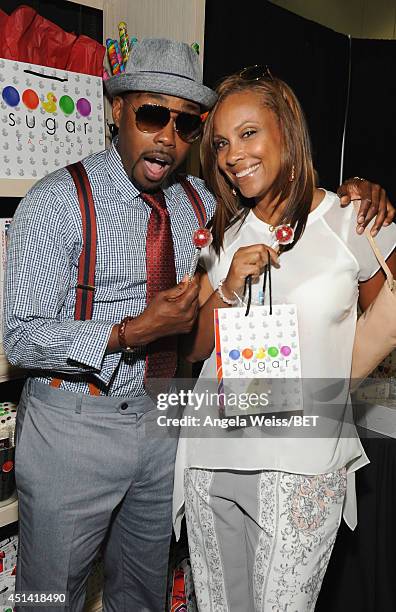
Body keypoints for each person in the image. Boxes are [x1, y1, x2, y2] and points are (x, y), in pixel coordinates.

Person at [2, 38, 392, 611]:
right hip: (76, 427)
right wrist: (129, 332)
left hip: (169, 425)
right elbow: (19, 336)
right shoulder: (56, 201)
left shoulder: (201, 206)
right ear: (117, 110)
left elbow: (297, 210)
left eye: (187, 126)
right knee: (47, 596)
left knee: (143, 594)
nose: (168, 137)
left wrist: (359, 191)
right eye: (153, 114)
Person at [172, 66, 396, 611]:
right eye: (222, 142)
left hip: (302, 466)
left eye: (249, 133)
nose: (233, 154)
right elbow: (193, 350)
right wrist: (226, 288)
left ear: (287, 131)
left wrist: (333, 387)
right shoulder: (219, 234)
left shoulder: (352, 220)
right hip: (210, 455)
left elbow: (386, 311)